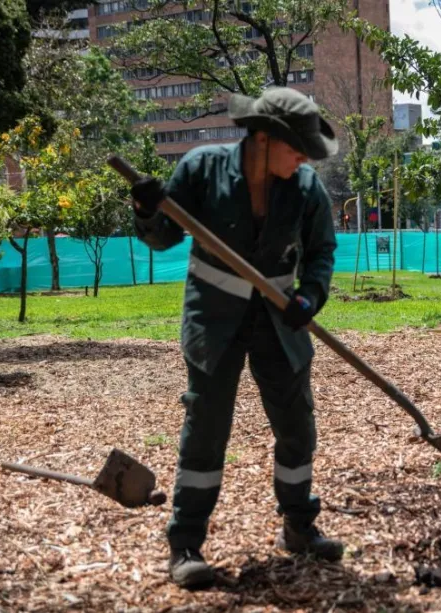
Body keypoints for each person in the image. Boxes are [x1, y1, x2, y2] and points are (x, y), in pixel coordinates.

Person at [129, 87, 342, 589]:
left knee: (296, 426)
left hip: (278, 322)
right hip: (214, 320)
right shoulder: (202, 170)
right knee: (205, 431)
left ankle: (299, 524)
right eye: (297, 149)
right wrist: (146, 210)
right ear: (264, 139)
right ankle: (185, 543)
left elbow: (322, 254)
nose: (304, 159)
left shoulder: (306, 188)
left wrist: (310, 298)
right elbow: (162, 236)